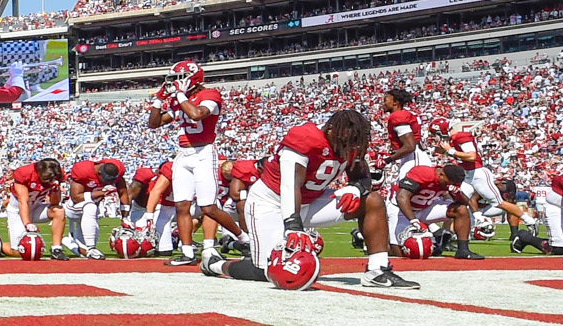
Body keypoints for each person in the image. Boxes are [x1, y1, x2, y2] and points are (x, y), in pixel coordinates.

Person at [201, 109, 417, 289]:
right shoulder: (306, 137)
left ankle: (378, 270)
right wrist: (293, 225)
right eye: (347, 142)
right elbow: (290, 184)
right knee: (266, 271)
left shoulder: (351, 142)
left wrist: (355, 188)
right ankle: (215, 265)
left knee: (372, 201)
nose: (349, 149)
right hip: (271, 202)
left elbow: (363, 177)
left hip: (311, 201)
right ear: (331, 130)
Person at [146, 59, 225, 266]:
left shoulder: (210, 94)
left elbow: (196, 113)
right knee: (182, 206)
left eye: (180, 78)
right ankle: (187, 252)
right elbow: (154, 124)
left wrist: (180, 95)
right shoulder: (179, 100)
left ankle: (243, 240)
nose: (176, 83)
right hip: (184, 153)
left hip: (204, 152)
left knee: (208, 206)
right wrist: (158, 100)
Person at [393, 162, 474, 260]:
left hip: (425, 208)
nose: (450, 185)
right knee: (400, 253)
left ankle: (463, 250)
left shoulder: (451, 179)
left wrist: (457, 193)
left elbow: (465, 203)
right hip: (401, 210)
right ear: (441, 174)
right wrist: (414, 220)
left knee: (461, 209)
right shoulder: (424, 173)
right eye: (448, 183)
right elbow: (401, 196)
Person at [1, 156, 66, 257]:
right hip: (17, 212)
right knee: (22, 252)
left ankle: (56, 249)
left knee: (59, 210)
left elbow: (55, 202)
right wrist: (27, 224)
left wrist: (55, 190)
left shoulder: (57, 174)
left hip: (36, 208)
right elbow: (23, 201)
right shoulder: (24, 173)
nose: (47, 182)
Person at [65, 157, 126, 258]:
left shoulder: (117, 170)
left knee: (86, 252)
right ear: (99, 173)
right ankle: (91, 247)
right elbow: (76, 197)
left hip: (91, 215)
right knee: (91, 206)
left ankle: (68, 242)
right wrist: (102, 192)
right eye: (107, 180)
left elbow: (123, 193)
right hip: (74, 208)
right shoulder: (84, 171)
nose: (109, 183)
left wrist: (125, 217)